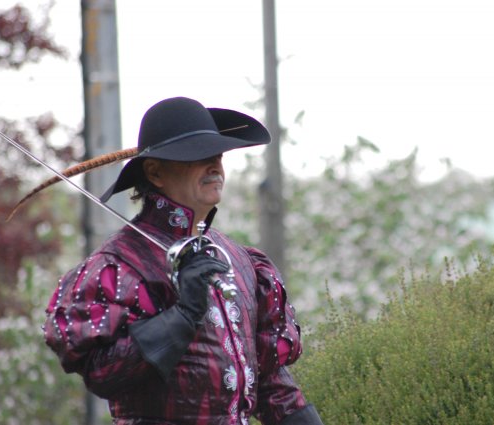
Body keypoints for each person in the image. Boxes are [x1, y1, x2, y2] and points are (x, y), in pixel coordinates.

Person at [43, 97, 323, 425]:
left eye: (217, 155)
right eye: (198, 156)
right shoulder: (119, 265)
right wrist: (183, 316)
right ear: (155, 172)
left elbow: (271, 383)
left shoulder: (241, 261)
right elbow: (103, 373)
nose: (215, 167)